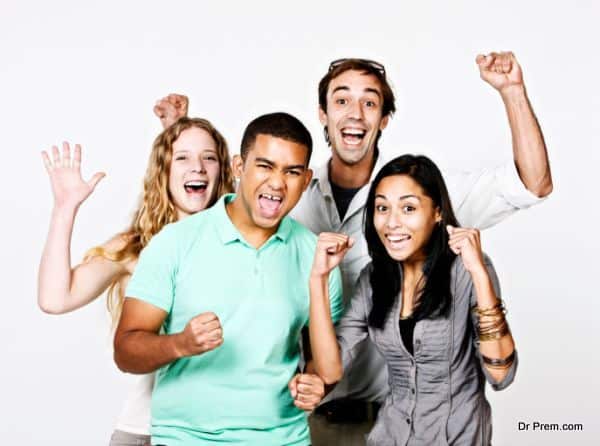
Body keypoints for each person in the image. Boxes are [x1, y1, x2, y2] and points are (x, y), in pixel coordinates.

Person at [154, 52, 553, 444]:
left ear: (384, 119)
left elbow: (531, 184)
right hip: (304, 415)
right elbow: (207, 221)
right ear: (323, 114)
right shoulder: (285, 194)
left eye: (370, 102)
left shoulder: (417, 189)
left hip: (393, 416)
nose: (356, 112)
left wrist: (512, 91)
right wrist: (178, 134)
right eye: (342, 100)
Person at [113, 112, 344, 445]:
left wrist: (314, 386)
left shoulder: (316, 255)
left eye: (291, 172)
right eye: (265, 166)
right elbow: (126, 350)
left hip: (282, 438)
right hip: (186, 438)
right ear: (239, 167)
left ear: (306, 180)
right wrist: (180, 343)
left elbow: (323, 367)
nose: (277, 183)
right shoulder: (175, 242)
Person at [38, 117, 235, 445]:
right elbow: (55, 299)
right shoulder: (136, 248)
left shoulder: (241, 245)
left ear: (223, 171)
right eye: (182, 157)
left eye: (209, 157)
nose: (198, 167)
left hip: (221, 430)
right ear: (164, 171)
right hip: (145, 429)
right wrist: (64, 208)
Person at [309, 154, 517, 445]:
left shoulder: (466, 270)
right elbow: (331, 366)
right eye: (382, 208)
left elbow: (501, 375)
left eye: (408, 208)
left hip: (457, 437)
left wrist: (479, 275)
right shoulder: (373, 278)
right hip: (390, 436)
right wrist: (318, 279)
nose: (392, 223)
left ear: (437, 212)